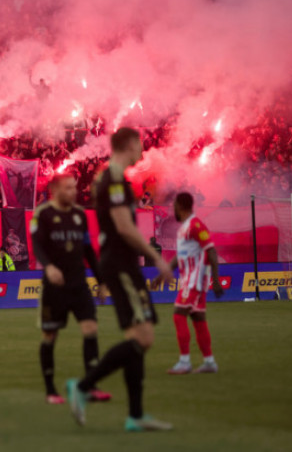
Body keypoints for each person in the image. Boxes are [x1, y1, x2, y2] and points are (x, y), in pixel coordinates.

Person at [66, 127, 175, 432]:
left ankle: (135, 416)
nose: (143, 148)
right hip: (121, 265)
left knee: (137, 340)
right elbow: (125, 228)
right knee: (144, 338)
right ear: (129, 144)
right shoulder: (112, 181)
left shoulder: (115, 180)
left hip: (122, 264)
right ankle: (84, 386)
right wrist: (156, 259)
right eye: (139, 142)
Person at [30, 173, 110, 405]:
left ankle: (90, 386)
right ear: (55, 190)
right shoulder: (43, 214)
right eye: (68, 188)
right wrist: (49, 267)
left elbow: (88, 251)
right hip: (54, 288)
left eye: (74, 187)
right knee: (50, 335)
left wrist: (101, 281)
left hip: (79, 284)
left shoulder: (79, 215)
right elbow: (37, 245)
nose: (74, 192)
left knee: (90, 328)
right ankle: (50, 390)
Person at [165, 192, 224, 375]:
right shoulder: (184, 228)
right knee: (198, 320)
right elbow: (180, 256)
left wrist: (215, 279)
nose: (172, 208)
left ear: (181, 206)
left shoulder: (195, 225)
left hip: (194, 281)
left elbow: (211, 251)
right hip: (189, 280)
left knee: (178, 315)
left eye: (174, 205)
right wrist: (164, 273)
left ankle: (184, 362)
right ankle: (209, 362)